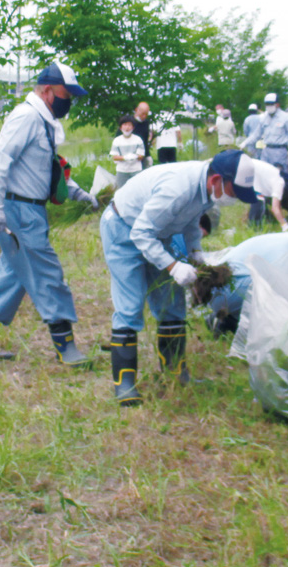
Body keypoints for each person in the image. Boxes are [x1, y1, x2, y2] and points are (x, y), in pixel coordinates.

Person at [99, 149, 264, 405]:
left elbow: (189, 222)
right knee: (130, 304)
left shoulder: (206, 192)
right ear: (216, 180)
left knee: (172, 302)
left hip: (158, 233)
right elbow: (141, 234)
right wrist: (174, 266)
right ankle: (125, 384)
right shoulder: (177, 189)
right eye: (233, 193)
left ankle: (176, 372)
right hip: (123, 228)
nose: (234, 200)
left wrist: (196, 253)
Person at [0, 60, 92, 366]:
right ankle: (66, 347)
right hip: (17, 209)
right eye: (67, 94)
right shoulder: (26, 117)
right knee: (48, 273)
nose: (69, 101)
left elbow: (46, 166)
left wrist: (74, 190)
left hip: (30, 209)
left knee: (12, 275)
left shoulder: (43, 119)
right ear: (48, 90)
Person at [204, 223, 288, 336]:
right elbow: (286, 297)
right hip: (224, 291)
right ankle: (230, 322)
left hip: (224, 288)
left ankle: (230, 319)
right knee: (277, 306)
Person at [238, 93, 288, 171]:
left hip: (280, 150)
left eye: (271, 104)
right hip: (266, 150)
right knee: (264, 174)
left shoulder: (285, 117)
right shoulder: (263, 117)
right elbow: (256, 135)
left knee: (279, 175)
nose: (269, 106)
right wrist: (245, 143)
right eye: (267, 104)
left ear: (277, 104)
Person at [110, 114, 146, 188]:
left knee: (137, 189)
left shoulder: (138, 139)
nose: (127, 127)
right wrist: (125, 157)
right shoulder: (117, 140)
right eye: (125, 125)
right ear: (121, 127)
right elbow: (114, 157)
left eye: (129, 125)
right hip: (122, 171)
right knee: (121, 191)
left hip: (136, 170)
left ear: (133, 127)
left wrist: (134, 156)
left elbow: (141, 156)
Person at [131, 101, 153, 167]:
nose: (144, 116)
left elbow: (145, 141)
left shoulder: (146, 123)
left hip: (143, 154)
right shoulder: (129, 122)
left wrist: (148, 155)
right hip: (131, 155)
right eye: (142, 113)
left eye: (146, 114)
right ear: (136, 110)